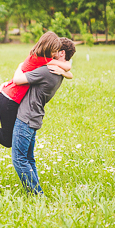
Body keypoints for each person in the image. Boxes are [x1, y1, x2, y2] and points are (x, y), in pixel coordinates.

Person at [0, 32, 72, 148]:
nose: (54, 54)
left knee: (9, 139)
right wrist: (64, 71)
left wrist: (63, 72)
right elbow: (68, 67)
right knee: (8, 140)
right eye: (54, 51)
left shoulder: (36, 56)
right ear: (48, 48)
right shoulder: (44, 60)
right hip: (9, 100)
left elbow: (68, 71)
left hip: (9, 97)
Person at [9, 38, 76, 194]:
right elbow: (68, 69)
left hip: (26, 117)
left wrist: (19, 66)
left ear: (61, 53)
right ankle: (36, 191)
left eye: (55, 50)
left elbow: (18, 80)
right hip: (34, 117)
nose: (51, 53)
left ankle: (36, 194)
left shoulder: (48, 70)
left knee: (19, 159)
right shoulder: (59, 72)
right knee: (28, 158)